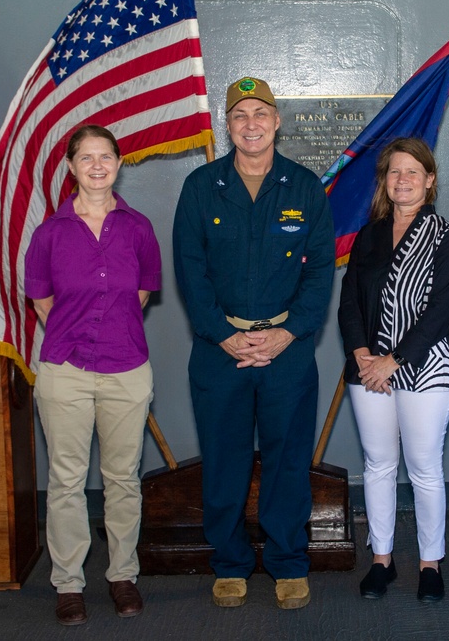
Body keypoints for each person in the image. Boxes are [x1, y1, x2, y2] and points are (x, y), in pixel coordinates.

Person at [173, 77, 334, 610]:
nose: (250, 124)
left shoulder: (305, 187)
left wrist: (287, 334)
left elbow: (319, 278)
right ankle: (230, 563)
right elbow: (190, 272)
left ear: (277, 120)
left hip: (286, 351)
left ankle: (289, 562)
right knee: (224, 459)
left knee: (289, 460)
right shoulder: (200, 187)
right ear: (228, 124)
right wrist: (225, 336)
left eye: (260, 113)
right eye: (239, 114)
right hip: (220, 353)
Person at [25, 124, 161, 625]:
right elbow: (42, 303)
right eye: (87, 158)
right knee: (65, 480)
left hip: (127, 367)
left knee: (123, 478)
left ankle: (122, 574)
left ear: (119, 164)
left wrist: (108, 333)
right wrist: (80, 336)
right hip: (65, 370)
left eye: (106, 156)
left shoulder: (139, 228)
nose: (97, 165)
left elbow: (141, 292)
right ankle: (68, 583)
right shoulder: (49, 233)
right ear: (71, 167)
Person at [337, 138, 449, 603]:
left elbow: (442, 310)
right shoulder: (368, 235)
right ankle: (382, 560)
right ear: (384, 181)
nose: (403, 179)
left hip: (424, 370)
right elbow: (349, 299)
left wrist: (395, 359)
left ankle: (431, 563)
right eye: (395, 172)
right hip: (368, 369)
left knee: (425, 468)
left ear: (429, 180)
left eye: (413, 172)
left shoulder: (445, 235)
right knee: (378, 465)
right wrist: (361, 353)